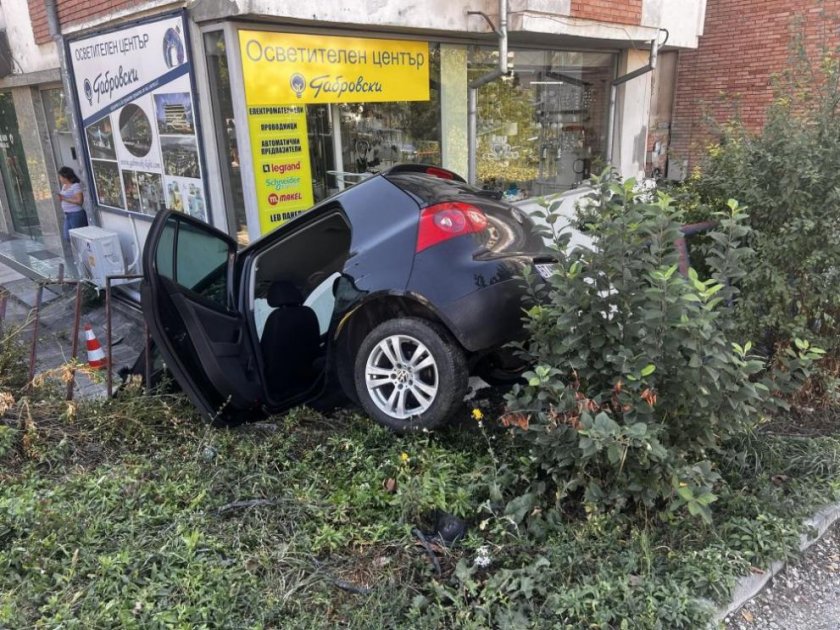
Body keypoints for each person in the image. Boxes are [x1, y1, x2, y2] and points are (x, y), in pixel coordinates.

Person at [56, 166, 88, 241]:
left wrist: (64, 198)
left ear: (65, 177)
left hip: (76, 214)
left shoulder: (75, 186)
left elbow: (79, 201)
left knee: (78, 238)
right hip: (68, 214)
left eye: (60, 177)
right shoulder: (64, 186)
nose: (59, 179)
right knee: (67, 236)